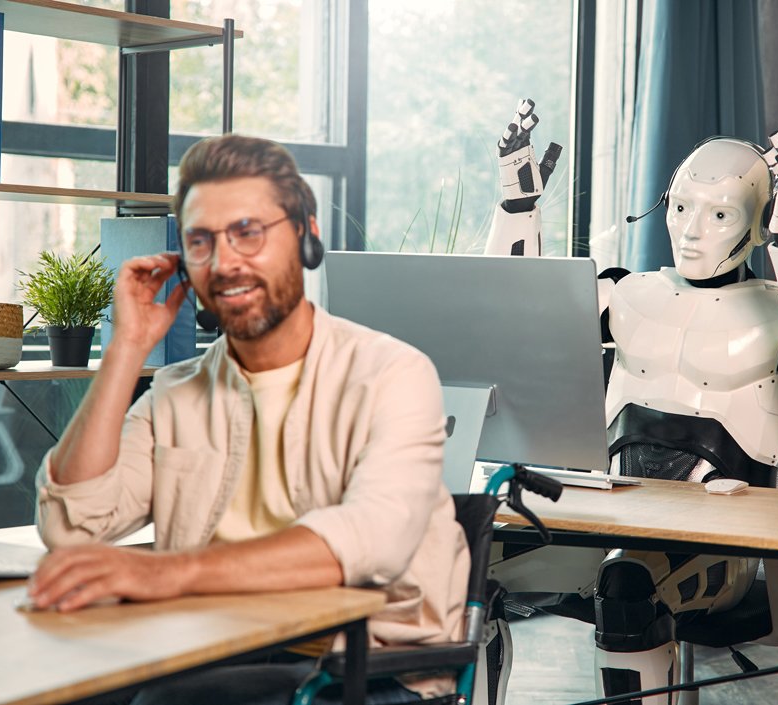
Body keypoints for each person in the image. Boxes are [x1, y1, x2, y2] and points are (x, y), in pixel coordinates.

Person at [31, 134, 470, 705]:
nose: (225, 261)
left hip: (362, 668)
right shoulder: (176, 391)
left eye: (248, 232)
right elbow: (71, 530)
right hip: (209, 647)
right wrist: (126, 349)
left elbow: (373, 538)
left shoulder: (392, 373)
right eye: (201, 241)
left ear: (306, 233)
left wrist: (165, 574)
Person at [484, 101, 778, 703]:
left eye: (720, 213)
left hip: (725, 538)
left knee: (627, 581)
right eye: (680, 208)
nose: (692, 230)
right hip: (610, 514)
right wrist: (519, 207)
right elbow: (509, 323)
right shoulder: (627, 292)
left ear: (756, 223)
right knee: (467, 566)